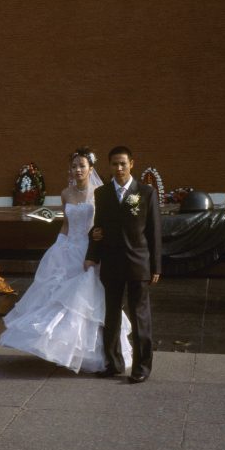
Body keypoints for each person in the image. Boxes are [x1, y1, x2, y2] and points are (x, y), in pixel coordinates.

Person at [0, 148, 132, 373]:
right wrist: (59, 245)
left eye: (82, 166)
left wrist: (96, 251)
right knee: (55, 296)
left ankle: (96, 354)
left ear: (91, 169)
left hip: (90, 251)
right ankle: (58, 349)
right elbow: (66, 223)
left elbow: (103, 224)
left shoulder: (101, 192)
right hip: (68, 248)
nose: (78, 170)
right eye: (74, 166)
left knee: (85, 302)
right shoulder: (65, 194)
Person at [85, 145, 162, 384]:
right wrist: (93, 252)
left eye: (123, 164)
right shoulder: (103, 194)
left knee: (141, 317)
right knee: (111, 317)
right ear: (109, 166)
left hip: (139, 263)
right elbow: (99, 228)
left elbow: (154, 231)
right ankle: (113, 363)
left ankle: (141, 367)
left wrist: (156, 266)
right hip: (111, 263)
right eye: (115, 164)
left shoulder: (146, 193)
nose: (119, 168)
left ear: (132, 164)